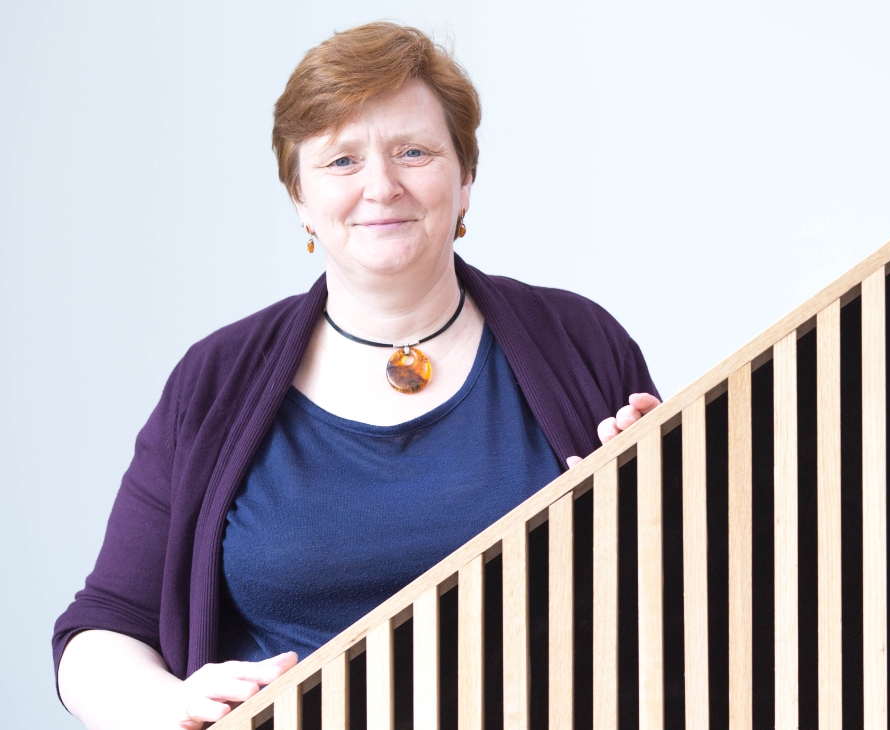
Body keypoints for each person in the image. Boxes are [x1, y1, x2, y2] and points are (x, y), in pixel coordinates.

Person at [53, 22, 660, 730]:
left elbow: (682, 599)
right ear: (299, 197)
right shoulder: (214, 379)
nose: (382, 187)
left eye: (414, 152)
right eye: (342, 161)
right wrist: (167, 703)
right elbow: (101, 629)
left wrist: (665, 491)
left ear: (465, 178)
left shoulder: (580, 343)